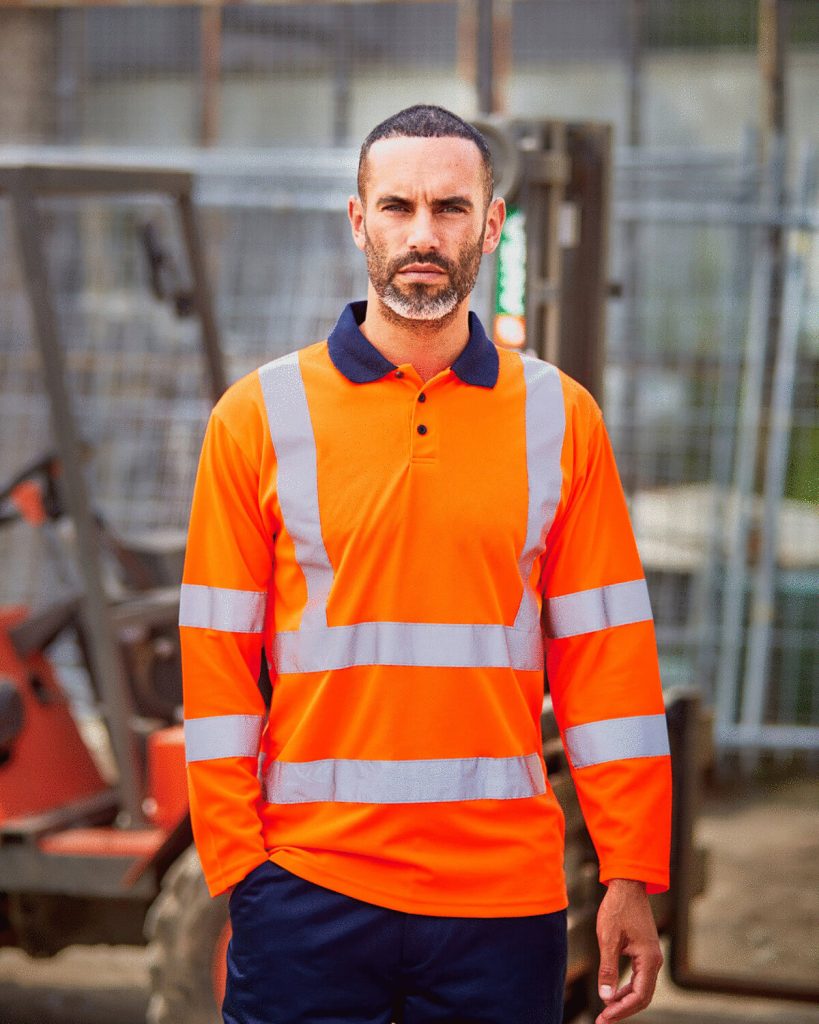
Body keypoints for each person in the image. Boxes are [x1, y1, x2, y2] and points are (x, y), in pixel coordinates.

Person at [179, 104, 672, 1024]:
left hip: (501, 901)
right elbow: (213, 659)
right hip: (308, 888)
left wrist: (631, 872)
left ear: (490, 224)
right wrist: (238, 868)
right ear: (358, 219)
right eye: (397, 206)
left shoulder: (561, 419)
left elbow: (609, 663)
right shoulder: (256, 417)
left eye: (449, 208)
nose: (422, 234)